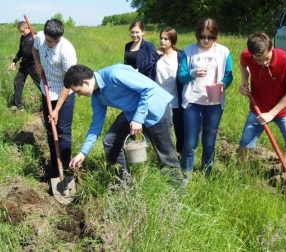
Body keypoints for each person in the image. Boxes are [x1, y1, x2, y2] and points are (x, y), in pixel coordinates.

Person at [63, 64, 181, 180]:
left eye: (78, 91)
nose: (78, 95)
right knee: (110, 142)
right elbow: (96, 125)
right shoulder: (97, 97)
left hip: (156, 109)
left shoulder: (115, 74)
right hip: (132, 112)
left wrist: (138, 119)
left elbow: (149, 89)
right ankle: (123, 183)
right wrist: (83, 153)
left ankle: (176, 191)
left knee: (166, 155)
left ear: (85, 82)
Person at [238, 32, 286, 209]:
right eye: (258, 59)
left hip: (284, 111)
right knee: (244, 146)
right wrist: (244, 81)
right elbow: (243, 62)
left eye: (265, 58)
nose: (262, 63)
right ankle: (242, 181)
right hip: (258, 108)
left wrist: (272, 113)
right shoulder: (248, 55)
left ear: (272, 48)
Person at [177, 18, 233, 178]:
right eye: (203, 36)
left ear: (215, 36)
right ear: (197, 35)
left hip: (214, 103)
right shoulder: (189, 51)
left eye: (210, 37)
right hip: (192, 102)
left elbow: (229, 75)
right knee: (190, 143)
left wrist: (222, 84)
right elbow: (181, 77)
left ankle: (206, 175)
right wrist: (192, 74)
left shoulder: (223, 52)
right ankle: (186, 176)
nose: (206, 40)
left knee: (209, 142)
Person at [32, 18, 77, 179]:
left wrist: (57, 109)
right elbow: (35, 49)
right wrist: (37, 63)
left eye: (55, 41)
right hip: (47, 91)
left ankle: (64, 169)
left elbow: (68, 82)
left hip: (64, 93)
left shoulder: (67, 51)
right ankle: (54, 166)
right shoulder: (39, 38)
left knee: (63, 132)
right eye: (49, 41)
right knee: (51, 130)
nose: (51, 44)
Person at [152, 27, 184, 155]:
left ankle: (180, 156)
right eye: (161, 38)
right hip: (159, 101)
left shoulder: (180, 56)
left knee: (180, 131)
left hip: (176, 100)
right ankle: (167, 158)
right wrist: (154, 55)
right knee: (164, 133)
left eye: (166, 39)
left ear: (172, 40)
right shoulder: (156, 56)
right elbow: (146, 69)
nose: (162, 41)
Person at [10, 21, 41, 111]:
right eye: (20, 32)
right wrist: (15, 61)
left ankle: (48, 102)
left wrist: (38, 41)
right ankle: (17, 105)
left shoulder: (36, 37)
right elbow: (21, 50)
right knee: (17, 82)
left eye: (23, 31)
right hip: (24, 64)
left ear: (28, 27)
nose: (22, 33)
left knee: (41, 84)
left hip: (33, 65)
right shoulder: (23, 38)